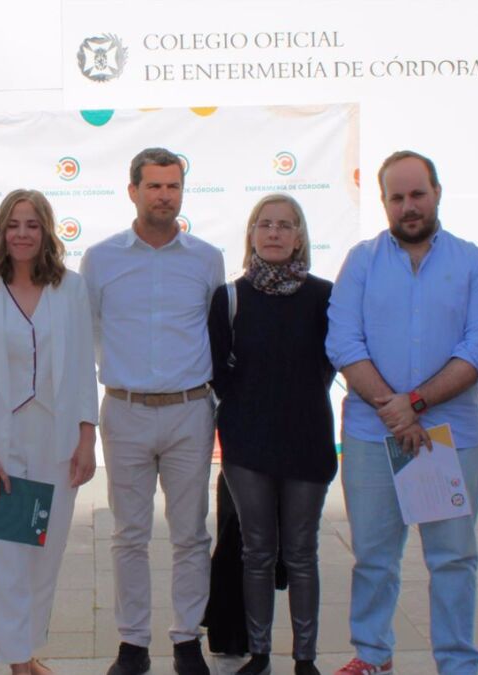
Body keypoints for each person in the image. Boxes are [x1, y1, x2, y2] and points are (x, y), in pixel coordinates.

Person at [325, 151, 478, 675]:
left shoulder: (473, 262)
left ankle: (457, 664)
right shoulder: (361, 262)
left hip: (449, 435)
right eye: (397, 197)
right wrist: (394, 410)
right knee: (374, 556)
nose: (408, 206)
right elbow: (344, 343)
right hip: (371, 435)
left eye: (417, 194)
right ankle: (373, 656)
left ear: (437, 193)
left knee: (452, 558)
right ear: (383, 202)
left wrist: (415, 404)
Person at [81, 147, 224, 675]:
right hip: (126, 411)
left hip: (190, 410)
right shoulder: (101, 258)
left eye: (173, 186)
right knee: (128, 535)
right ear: (133, 191)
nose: (164, 196)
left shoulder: (207, 258)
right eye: (154, 186)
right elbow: (87, 333)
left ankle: (187, 640)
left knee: (191, 534)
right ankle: (133, 644)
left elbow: (214, 331)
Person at [0, 189, 99, 674]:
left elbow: (83, 366)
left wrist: (86, 438)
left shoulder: (70, 289)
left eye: (32, 224)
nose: (22, 233)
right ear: (1, 231)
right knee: (2, 558)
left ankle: (27, 649)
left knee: (45, 553)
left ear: (46, 231)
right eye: (13, 224)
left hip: (55, 440)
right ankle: (17, 663)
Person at [206, 194, 336, 675]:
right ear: (252, 234)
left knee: (301, 552)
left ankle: (305, 658)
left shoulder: (324, 296)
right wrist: (250, 408)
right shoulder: (230, 298)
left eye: (285, 225)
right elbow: (218, 370)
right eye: (265, 224)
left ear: (299, 236)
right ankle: (259, 653)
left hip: (307, 442)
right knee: (256, 551)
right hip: (248, 446)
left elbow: (329, 363)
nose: (275, 233)